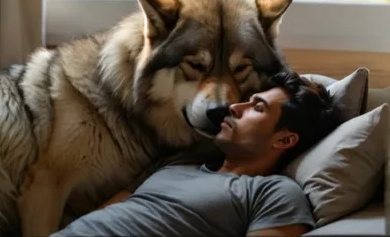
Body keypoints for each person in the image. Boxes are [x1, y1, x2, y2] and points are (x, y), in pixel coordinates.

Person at [50, 70, 344, 237]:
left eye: (257, 108)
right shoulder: (180, 161)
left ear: (285, 139)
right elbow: (107, 214)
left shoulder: (274, 193)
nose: (234, 107)